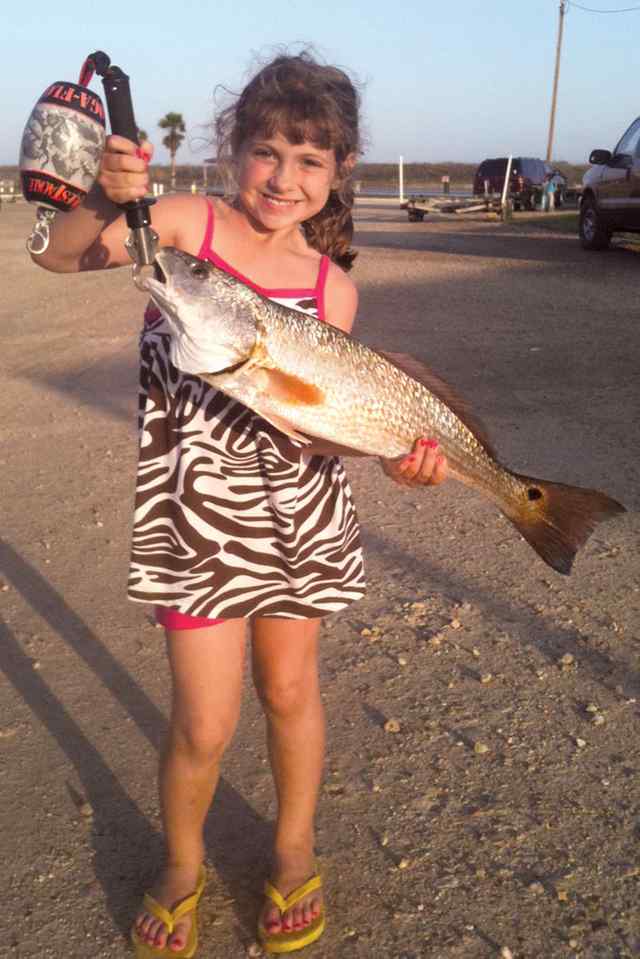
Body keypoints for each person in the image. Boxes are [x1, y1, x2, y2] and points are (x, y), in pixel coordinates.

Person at [34, 50, 448, 957]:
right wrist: (109, 199)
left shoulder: (332, 287)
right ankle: (182, 861)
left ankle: (294, 846)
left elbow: (324, 418)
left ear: (338, 171)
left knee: (292, 691)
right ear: (234, 152)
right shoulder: (184, 228)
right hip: (193, 524)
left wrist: (396, 457)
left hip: (301, 521)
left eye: (309, 160)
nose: (283, 177)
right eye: (267, 151)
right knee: (205, 720)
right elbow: (66, 256)